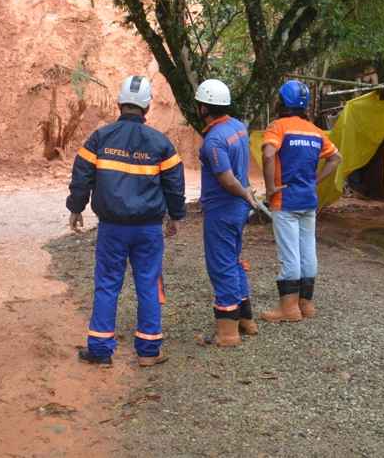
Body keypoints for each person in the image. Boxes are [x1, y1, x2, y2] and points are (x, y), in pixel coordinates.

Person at [67, 75, 186, 367]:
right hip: (148, 229)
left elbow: (82, 175)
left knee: (107, 284)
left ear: (120, 104)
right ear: (147, 108)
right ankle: (148, 352)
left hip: (112, 228)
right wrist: (175, 216)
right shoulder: (161, 143)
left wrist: (76, 208)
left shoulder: (100, 138)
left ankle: (100, 350)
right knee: (147, 284)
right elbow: (174, 184)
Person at [260, 80, 342, 322]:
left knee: (289, 254)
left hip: (284, 199)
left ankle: (288, 309)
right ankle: (306, 304)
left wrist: (270, 187)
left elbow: (267, 154)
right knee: (308, 251)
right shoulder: (315, 131)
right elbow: (336, 158)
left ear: (283, 102)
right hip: (308, 199)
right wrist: (316, 180)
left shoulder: (278, 126)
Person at [194, 79, 259, 347]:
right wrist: (247, 196)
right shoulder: (238, 127)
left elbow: (228, 179)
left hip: (223, 210)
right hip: (237, 211)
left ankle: (228, 333)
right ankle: (246, 320)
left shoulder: (214, 140)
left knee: (221, 267)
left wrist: (245, 193)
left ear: (203, 108)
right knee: (233, 261)